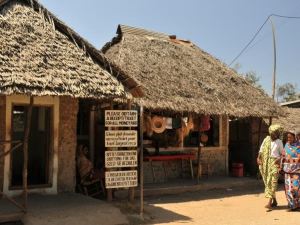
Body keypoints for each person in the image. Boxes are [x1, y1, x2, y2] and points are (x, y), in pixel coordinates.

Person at [257, 124, 284, 209]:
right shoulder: (266, 140)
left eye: (276, 133)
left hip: (275, 163)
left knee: (273, 182)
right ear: (270, 133)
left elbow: (282, 154)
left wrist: (279, 159)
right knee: (267, 181)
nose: (275, 134)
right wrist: (258, 158)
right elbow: (261, 150)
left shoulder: (279, 142)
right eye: (273, 133)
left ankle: (269, 202)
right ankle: (274, 200)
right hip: (266, 162)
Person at [281, 131, 300, 211]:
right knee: (288, 189)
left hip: (296, 171)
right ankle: (292, 205)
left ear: (294, 137)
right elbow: (283, 156)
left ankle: (297, 204)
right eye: (287, 137)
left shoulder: (299, 146)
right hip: (287, 172)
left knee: (296, 188)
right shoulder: (286, 145)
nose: (288, 139)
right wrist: (280, 165)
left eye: (290, 137)